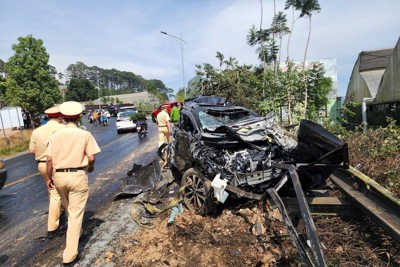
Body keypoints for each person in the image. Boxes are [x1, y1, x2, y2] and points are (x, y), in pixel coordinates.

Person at [46, 101, 101, 267]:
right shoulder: (84, 134)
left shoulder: (54, 135)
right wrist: (90, 168)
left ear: (62, 118)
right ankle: (69, 255)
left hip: (59, 176)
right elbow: (91, 158)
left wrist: (49, 178)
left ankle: (78, 231)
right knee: (76, 213)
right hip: (77, 175)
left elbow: (49, 160)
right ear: (79, 118)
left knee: (69, 208)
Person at [29, 106, 66, 238]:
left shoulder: (37, 131)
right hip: (58, 164)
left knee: (52, 191)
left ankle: (56, 214)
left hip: (42, 165)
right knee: (61, 193)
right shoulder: (64, 129)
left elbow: (32, 150)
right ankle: (54, 227)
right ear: (60, 117)